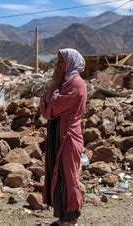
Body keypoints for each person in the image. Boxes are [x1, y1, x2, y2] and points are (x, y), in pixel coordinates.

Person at [40, 48, 87, 225]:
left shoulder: (76, 84)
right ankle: (63, 217)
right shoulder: (65, 83)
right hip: (58, 135)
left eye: (62, 61)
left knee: (69, 177)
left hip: (68, 137)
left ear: (71, 62)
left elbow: (53, 107)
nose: (58, 65)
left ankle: (71, 218)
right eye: (58, 61)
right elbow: (47, 109)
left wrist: (50, 96)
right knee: (59, 175)